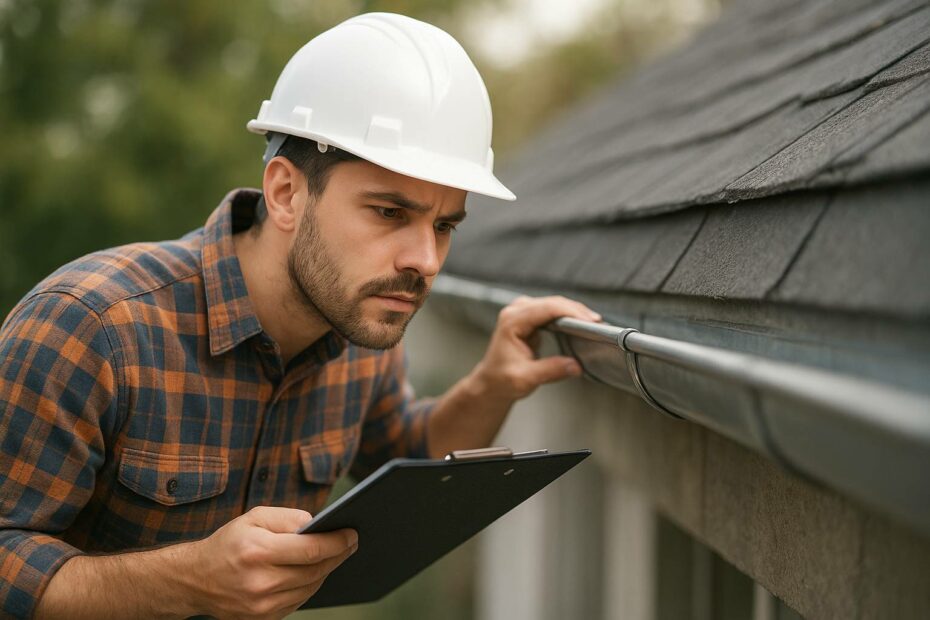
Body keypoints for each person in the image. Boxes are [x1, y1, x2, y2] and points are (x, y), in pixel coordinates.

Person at [0, 12, 599, 619]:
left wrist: (492, 386)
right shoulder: (91, 328)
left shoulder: (359, 327)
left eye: (444, 226)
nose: (425, 260)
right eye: (390, 213)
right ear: (286, 193)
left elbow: (406, 455)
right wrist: (189, 580)